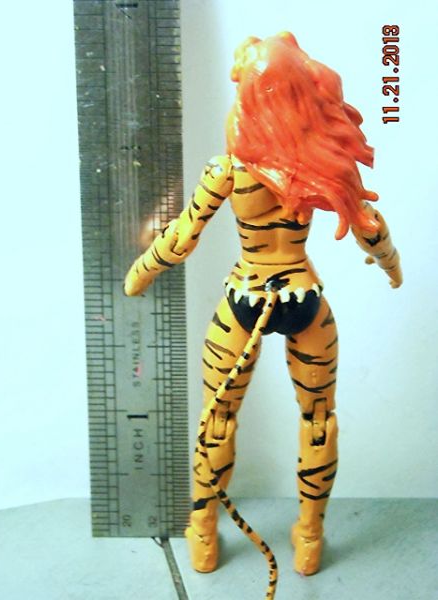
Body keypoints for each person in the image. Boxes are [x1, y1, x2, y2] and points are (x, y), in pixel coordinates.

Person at [124, 31, 402, 585]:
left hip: (245, 297)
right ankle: (309, 536)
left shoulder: (229, 170)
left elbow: (183, 236)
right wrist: (391, 266)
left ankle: (203, 529)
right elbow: (371, 229)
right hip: (304, 299)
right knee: (319, 420)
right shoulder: (320, 166)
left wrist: (141, 271)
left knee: (218, 417)